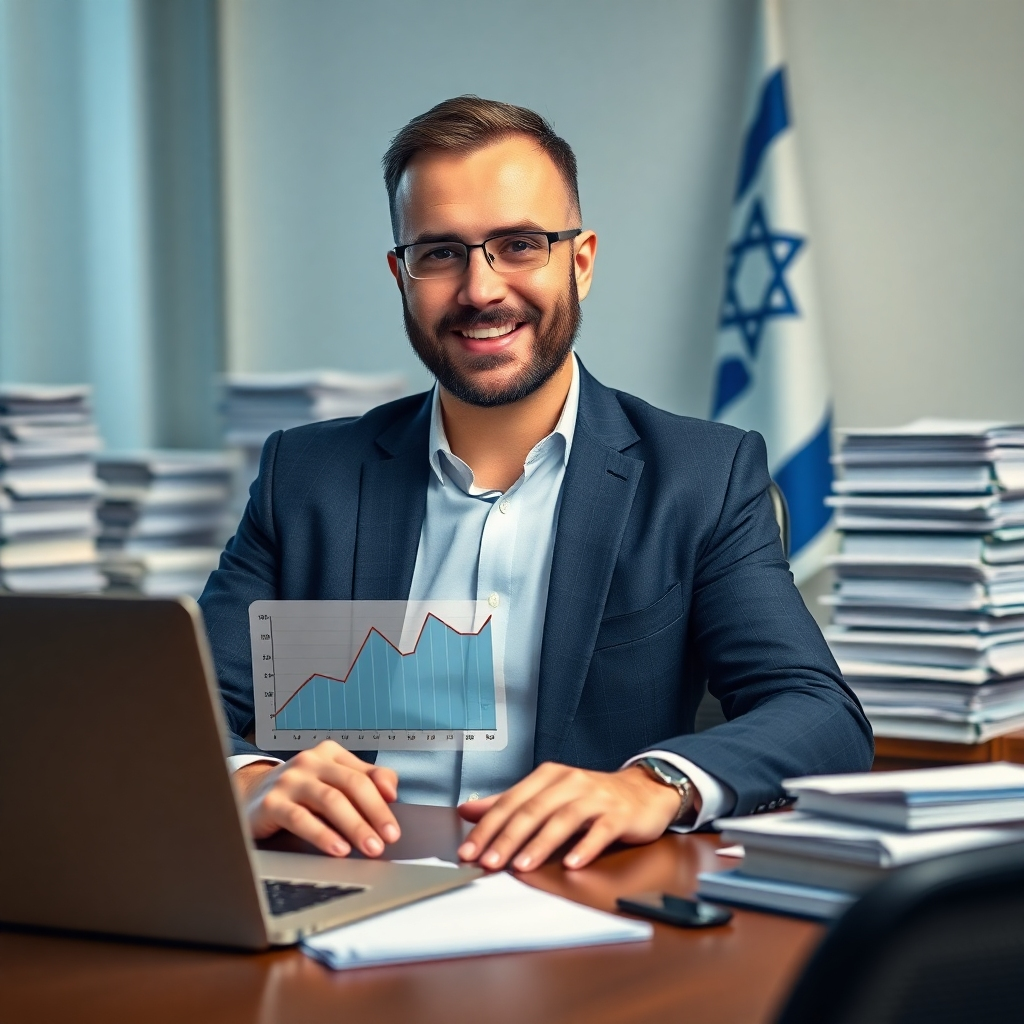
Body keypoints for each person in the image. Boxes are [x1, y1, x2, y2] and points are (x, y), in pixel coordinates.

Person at [201, 96, 872, 874]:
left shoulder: (700, 478)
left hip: (575, 909)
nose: (481, 290)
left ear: (579, 260)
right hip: (342, 895)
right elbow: (184, 711)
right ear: (401, 274)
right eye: (441, 252)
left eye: (519, 244)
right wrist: (249, 779)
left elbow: (818, 715)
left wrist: (651, 786)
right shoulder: (307, 478)